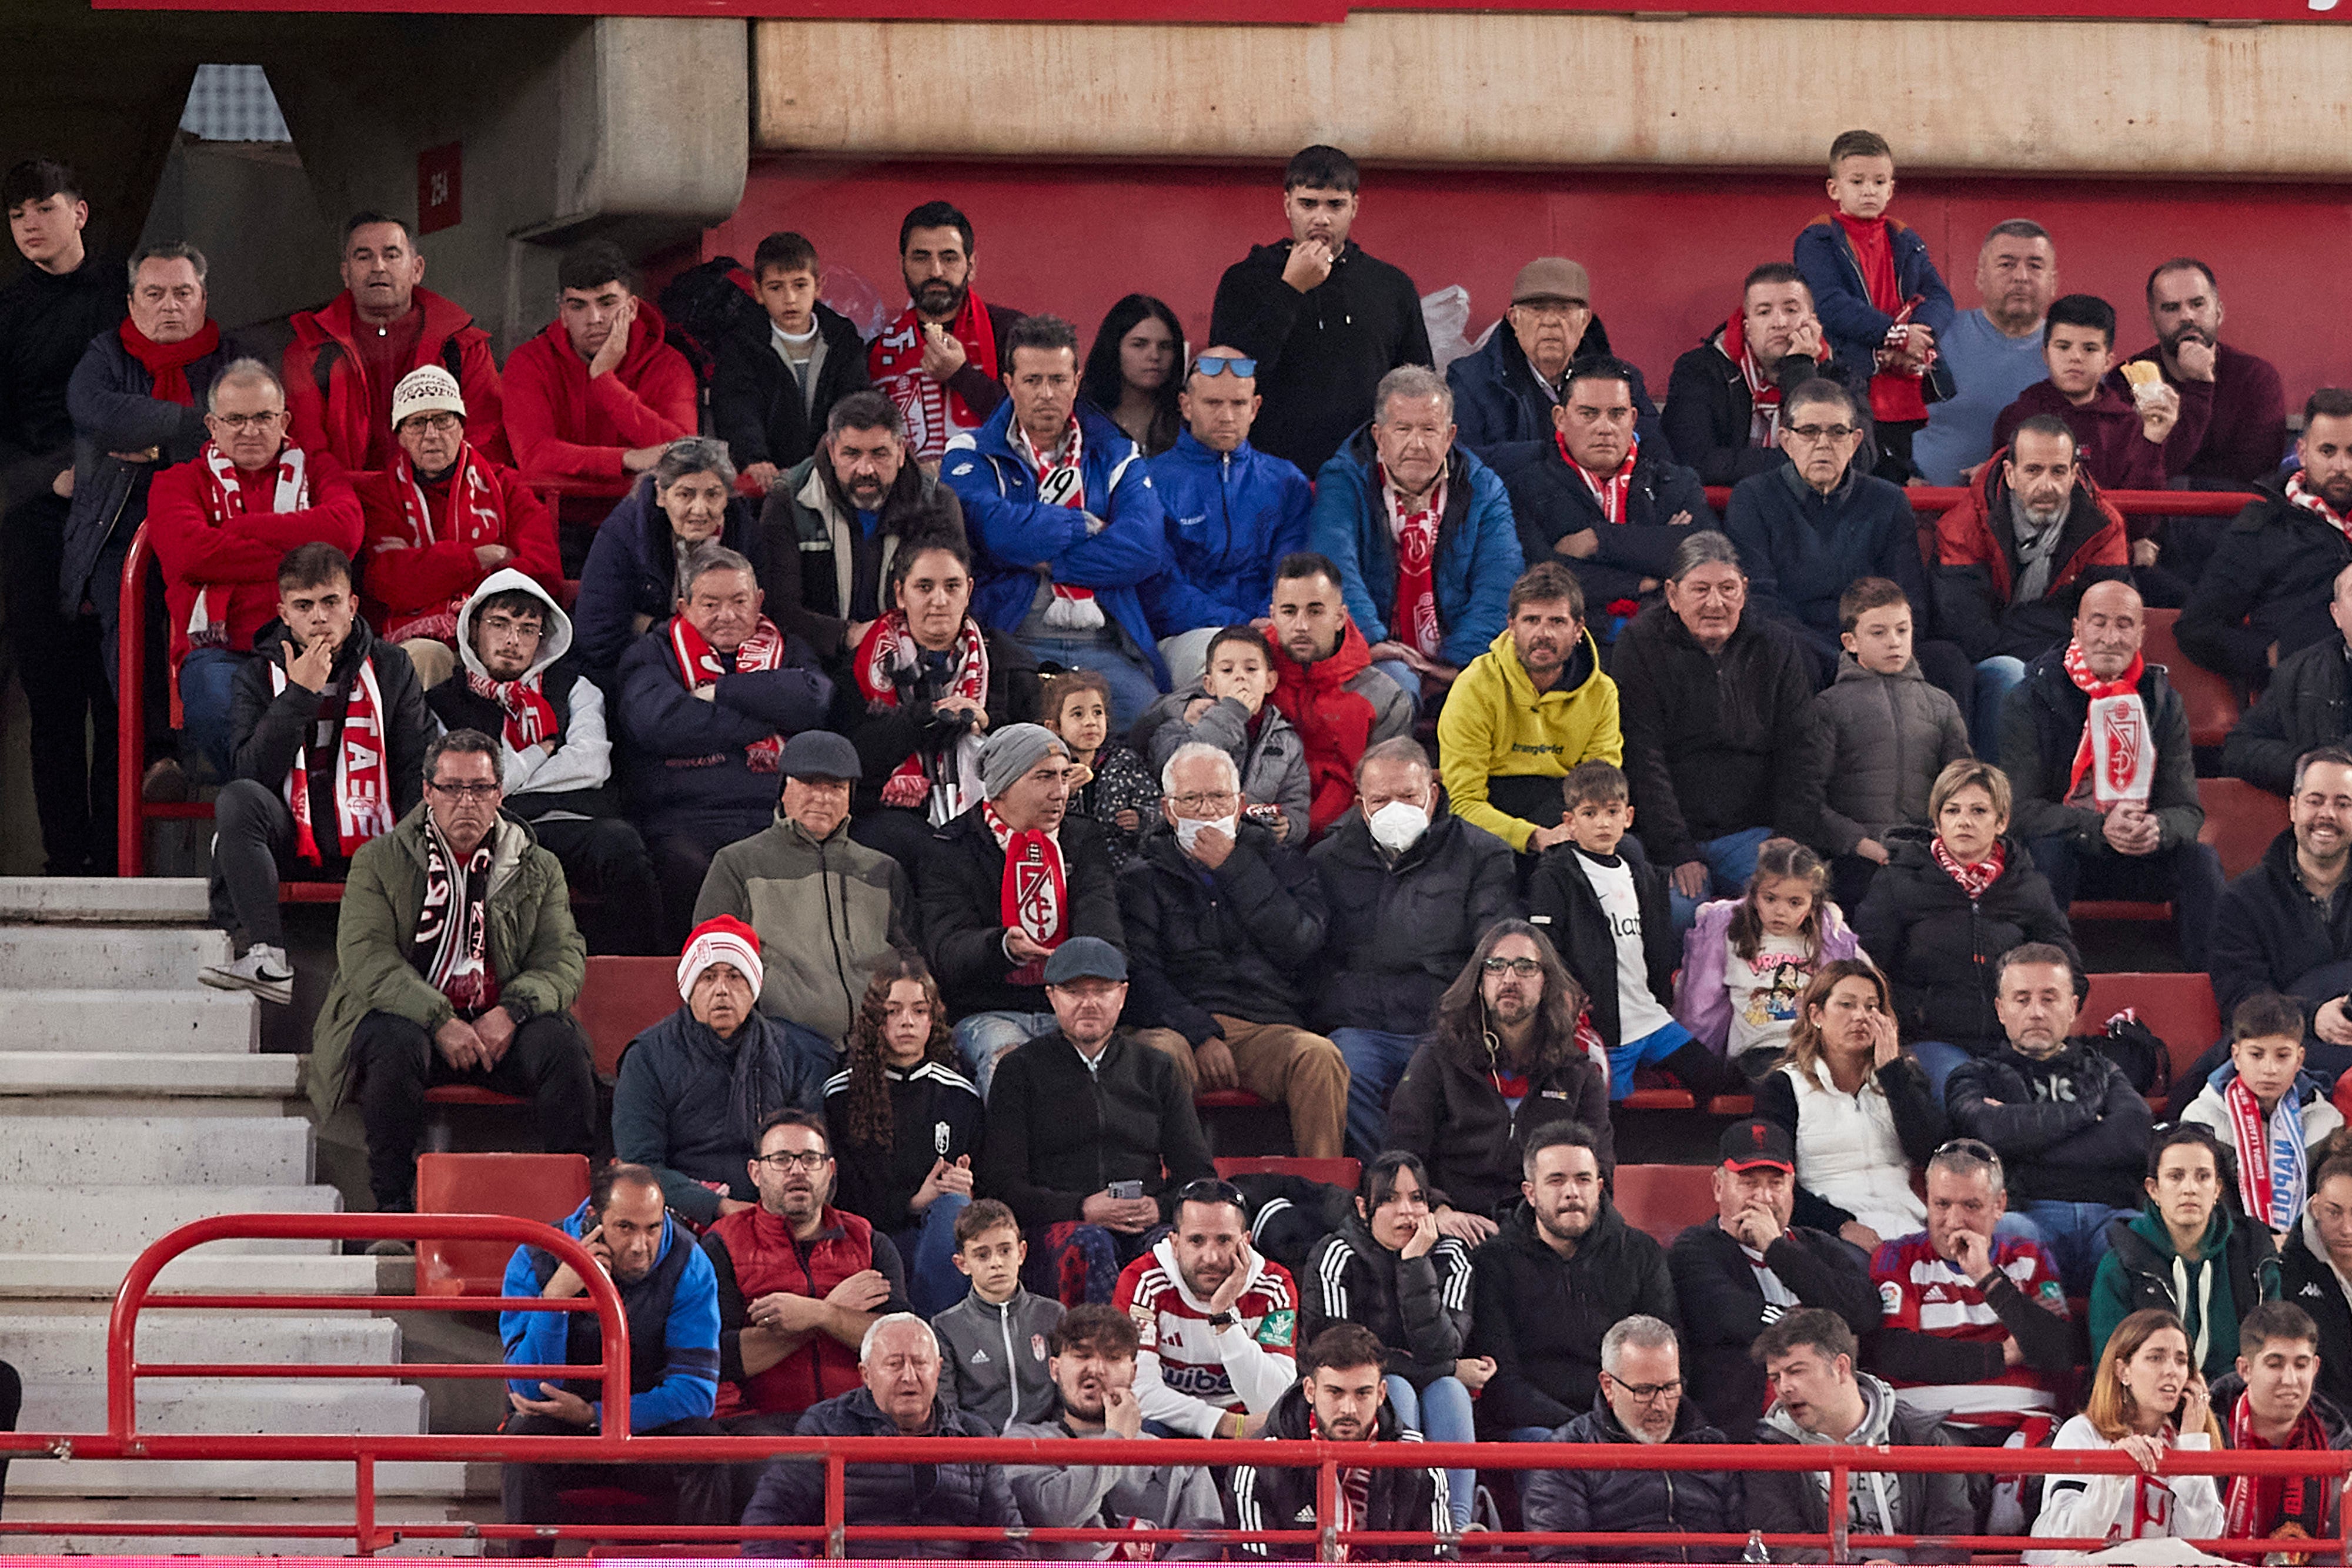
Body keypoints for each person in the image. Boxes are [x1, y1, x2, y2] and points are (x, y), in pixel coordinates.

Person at [312, 727, 594, 1216]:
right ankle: (394, 1209)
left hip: (498, 1027)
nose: (467, 801)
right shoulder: (378, 861)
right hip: (416, 1023)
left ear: (499, 794)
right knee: (392, 1043)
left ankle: (575, 1213)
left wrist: (511, 1011)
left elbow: (562, 959)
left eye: (481, 788)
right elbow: (367, 960)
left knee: (562, 1047)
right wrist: (440, 1019)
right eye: (451, 788)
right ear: (427, 792)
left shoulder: (538, 865)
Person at [198, 543, 430, 1005]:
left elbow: (414, 769)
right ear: (283, 612)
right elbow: (251, 772)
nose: (319, 618)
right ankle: (267, 955)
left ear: (353, 606)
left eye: (331, 603)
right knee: (238, 799)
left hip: (376, 839)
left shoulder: (391, 666)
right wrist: (298, 695)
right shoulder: (256, 675)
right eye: (304, 606)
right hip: (292, 834)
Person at [47, 238, 210, 861]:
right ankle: (155, 755)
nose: (169, 307)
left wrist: (159, 447)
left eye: (182, 294)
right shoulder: (104, 354)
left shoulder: (232, 352)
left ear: (203, 297)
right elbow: (93, 410)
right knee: (129, 624)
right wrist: (196, 425)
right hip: (118, 538)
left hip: (207, 529)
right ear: (132, 302)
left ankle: (184, 746)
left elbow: (254, 422)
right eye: (155, 294)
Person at [1121, 743, 1348, 1159]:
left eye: (1218, 797)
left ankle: (1325, 1198)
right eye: (1191, 799)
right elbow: (1139, 973)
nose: (1206, 810)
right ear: (1169, 811)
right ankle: (1166, 1191)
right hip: (1178, 1027)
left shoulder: (1284, 863)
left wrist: (1235, 866)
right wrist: (1199, 1031)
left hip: (1264, 1023)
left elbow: (1302, 944)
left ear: (1241, 803)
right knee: (1159, 1055)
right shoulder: (1141, 877)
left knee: (1319, 1056)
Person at [943, 312, 1168, 730]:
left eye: (1058, 380)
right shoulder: (970, 451)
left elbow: (1145, 548)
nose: (1046, 394)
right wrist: (1081, 527)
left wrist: (1046, 559)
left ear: (1077, 381)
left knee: (1153, 725)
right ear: (1008, 383)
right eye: (1032, 381)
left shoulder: (1117, 454)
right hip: (1011, 638)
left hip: (1103, 643)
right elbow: (992, 531)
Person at [145, 357, 363, 778]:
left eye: (263, 417)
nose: (250, 430)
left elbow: (346, 534)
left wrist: (238, 531)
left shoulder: (319, 469)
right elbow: (189, 554)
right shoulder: (177, 482)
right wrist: (304, 560)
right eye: (236, 419)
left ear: (284, 420)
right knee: (214, 697)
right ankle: (267, 811)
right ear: (212, 425)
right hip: (222, 652)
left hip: (319, 645)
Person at [497, 1163, 727, 1550]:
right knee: (524, 1439)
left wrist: (595, 1416)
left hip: (645, 1427)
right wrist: (558, 1296)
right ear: (593, 1221)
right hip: (560, 1429)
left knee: (708, 1449)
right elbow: (529, 1390)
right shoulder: (535, 1257)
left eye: (652, 1227)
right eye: (626, 1227)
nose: (641, 1245)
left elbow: (695, 1394)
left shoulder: (690, 1259)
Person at [426, 567, 657, 952]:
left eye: (528, 628)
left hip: (575, 820)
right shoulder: (441, 702)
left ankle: (629, 972)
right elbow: (461, 784)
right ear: (473, 629)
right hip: (492, 829)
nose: (513, 640)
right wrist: (541, 752)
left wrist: (503, 777)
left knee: (622, 845)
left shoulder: (574, 687)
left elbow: (590, 764)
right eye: (499, 624)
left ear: (543, 638)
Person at [1312, 738, 1521, 1163]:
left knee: (1461, 1080)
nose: (1396, 809)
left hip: (1444, 1019)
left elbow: (1492, 942)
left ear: (1433, 794)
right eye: (1381, 799)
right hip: (1361, 1024)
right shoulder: (1327, 859)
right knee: (1341, 1075)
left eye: (1408, 796)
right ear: (1360, 804)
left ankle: (1450, 1194)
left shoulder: (1482, 853)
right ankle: (1387, 1188)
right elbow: (1314, 953)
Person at [973, 938, 1216, 1300]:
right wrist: (1082, 1208)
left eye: (1102, 990)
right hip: (1059, 1229)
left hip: (1143, 1222)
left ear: (1122, 995)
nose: (1089, 1003)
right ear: (1052, 996)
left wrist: (1160, 1207)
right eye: (1074, 991)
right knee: (1091, 1245)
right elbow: (1001, 1185)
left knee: (1169, 1251)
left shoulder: (1156, 1069)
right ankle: (1095, 1352)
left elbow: (1197, 1176)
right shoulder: (1019, 1071)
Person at [616, 543, 833, 946]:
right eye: (711, 604)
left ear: (760, 601)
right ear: (683, 606)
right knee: (688, 869)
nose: (727, 615)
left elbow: (815, 700)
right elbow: (661, 724)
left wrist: (720, 692)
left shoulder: (787, 648)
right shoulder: (653, 652)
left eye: (739, 601)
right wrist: (771, 708)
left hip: (774, 814)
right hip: (685, 818)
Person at [2000, 576, 2223, 967]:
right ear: (2077, 629)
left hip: (2138, 849)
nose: (2110, 636)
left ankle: (2211, 984)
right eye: (2098, 622)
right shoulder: (2031, 697)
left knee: (2199, 858)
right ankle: (2043, 976)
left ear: (2140, 634)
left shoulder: (2163, 702)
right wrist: (2096, 826)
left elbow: (2187, 811)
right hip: (2068, 849)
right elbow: (2020, 811)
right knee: (2049, 850)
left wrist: (2158, 827)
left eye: (2123, 624)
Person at [1612, 530, 1818, 932]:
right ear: (1672, 594)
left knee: (1791, 904)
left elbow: (1801, 751)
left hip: (1753, 833)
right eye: (1700, 589)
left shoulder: (1776, 647)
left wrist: (1788, 836)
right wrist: (1677, 850)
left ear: (1744, 590)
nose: (1715, 603)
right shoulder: (1640, 644)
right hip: (1670, 834)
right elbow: (1643, 755)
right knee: (1680, 913)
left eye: (1727, 589)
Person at [919, 723, 1125, 1094]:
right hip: (987, 1009)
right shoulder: (950, 847)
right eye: (1044, 777)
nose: (1060, 792)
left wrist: (1078, 965)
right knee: (1008, 1061)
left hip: (1072, 1003)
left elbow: (1104, 926)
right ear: (1001, 787)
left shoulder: (1083, 839)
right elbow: (945, 952)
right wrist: (1002, 948)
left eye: (1064, 777)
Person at [1854, 760, 2080, 1094]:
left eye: (1978, 811)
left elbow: (2066, 966)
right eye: (1952, 811)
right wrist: (1906, 1019)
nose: (1964, 821)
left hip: (2014, 1042)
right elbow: (1867, 966)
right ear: (1937, 821)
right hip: (1928, 1039)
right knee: (1961, 1091)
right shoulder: (1898, 880)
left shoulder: (2029, 886)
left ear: (2001, 821)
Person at [1208, 144, 1431, 477]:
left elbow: (1418, 387)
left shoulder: (1391, 286)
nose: (1321, 218)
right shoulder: (1245, 279)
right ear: (1288, 204)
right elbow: (1229, 378)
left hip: (1365, 474)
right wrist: (1291, 289)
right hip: (1265, 473)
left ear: (1355, 206)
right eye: (1308, 204)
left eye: (1336, 205)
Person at [1308, 365, 1523, 709]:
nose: (1417, 444)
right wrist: (1372, 641)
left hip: (1462, 649)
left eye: (1429, 429)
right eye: (1403, 429)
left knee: (1502, 685)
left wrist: (1457, 663)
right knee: (1399, 685)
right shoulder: (1344, 479)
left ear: (1450, 436)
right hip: (1374, 647)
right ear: (1379, 436)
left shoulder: (1483, 488)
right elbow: (1334, 569)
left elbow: (1500, 582)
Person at [1529, 760, 1744, 1103]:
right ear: (1570, 822)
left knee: (1719, 1080)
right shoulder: (1555, 875)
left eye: (1612, 812)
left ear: (1628, 817)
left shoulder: (1642, 875)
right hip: (1603, 1026)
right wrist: (1567, 995)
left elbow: (1654, 946)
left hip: (1650, 1017)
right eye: (1590, 813)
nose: (1603, 822)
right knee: (1602, 1111)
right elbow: (1543, 946)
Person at [1945, 943, 2151, 1295]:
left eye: (2049, 998)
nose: (2036, 1012)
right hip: (2028, 1213)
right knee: (2008, 1235)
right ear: (2001, 1009)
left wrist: (2023, 1138)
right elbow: (1987, 1130)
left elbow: (2134, 1135)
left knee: (2146, 1237)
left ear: (2072, 1008)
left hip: (2109, 1214)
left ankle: (2131, 1350)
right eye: (2022, 999)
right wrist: (2089, 1116)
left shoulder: (2102, 1070)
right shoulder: (1975, 1076)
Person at [1298, 1152, 1484, 1534]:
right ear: (1364, 1206)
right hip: (1363, 1389)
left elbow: (1442, 1347)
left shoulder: (1452, 1255)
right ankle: (1394, 1526)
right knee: (1394, 1389)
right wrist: (1449, 1368)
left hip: (1428, 1381)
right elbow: (1339, 1358)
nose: (1407, 1212)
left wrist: (1414, 1264)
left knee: (1450, 1391)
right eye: (1390, 1199)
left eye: (1417, 1198)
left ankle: (1458, 1529)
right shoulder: (1337, 1255)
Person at [834, 530, 1041, 868]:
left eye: (952, 586)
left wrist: (987, 726)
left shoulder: (1009, 662)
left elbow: (1032, 754)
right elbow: (854, 755)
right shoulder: (861, 665)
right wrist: (922, 718)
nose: (940, 600)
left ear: (969, 591)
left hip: (986, 812)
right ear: (901, 594)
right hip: (891, 815)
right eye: (925, 587)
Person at [741, 1313, 1021, 1559]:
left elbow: (1008, 1540)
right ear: (866, 1374)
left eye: (920, 1363)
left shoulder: (975, 1435)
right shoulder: (826, 1425)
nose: (909, 1377)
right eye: (895, 1364)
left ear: (938, 1370)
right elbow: (767, 1523)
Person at [1388, 922, 1611, 1230]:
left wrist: (1547, 1230)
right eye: (1495, 966)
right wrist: (1438, 1212)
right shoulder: (1437, 1059)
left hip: (1541, 1230)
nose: (1509, 978)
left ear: (1546, 981)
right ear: (1479, 982)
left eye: (1525, 967)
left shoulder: (1577, 1072)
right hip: (1451, 1224)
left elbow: (1600, 1174)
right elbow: (1401, 1156)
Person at [613, 914, 830, 1229]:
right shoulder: (647, 1057)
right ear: (689, 988)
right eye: (708, 977)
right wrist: (718, 1206)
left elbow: (813, 1150)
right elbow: (640, 1165)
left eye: (735, 977)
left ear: (753, 988)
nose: (722, 990)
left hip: (777, 1208)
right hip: (681, 1213)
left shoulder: (791, 1052)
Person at [695, 729, 913, 1042]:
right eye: (810, 784)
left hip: (878, 1044)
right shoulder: (737, 863)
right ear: (784, 789)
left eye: (837, 787)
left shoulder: (883, 869)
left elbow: (911, 957)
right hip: (781, 1046)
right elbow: (713, 961)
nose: (823, 798)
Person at [1668, 1119, 1883, 1433]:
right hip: (1741, 1433)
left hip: (1832, 1430)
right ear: (1718, 1187)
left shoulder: (1821, 1247)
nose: (1764, 1197)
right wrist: (1827, 1330)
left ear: (1791, 1188)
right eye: (1749, 1183)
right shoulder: (1694, 1250)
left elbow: (1863, 1312)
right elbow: (1731, 1316)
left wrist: (1776, 1248)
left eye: (1775, 1183)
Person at [703, 1109, 913, 1428]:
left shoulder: (869, 1241)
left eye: (810, 1159)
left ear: (830, 1170)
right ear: (755, 1172)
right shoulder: (722, 1244)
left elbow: (898, 1341)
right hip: (760, 1425)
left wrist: (820, 1314)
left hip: (861, 1421)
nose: (797, 1171)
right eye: (782, 1159)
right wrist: (830, 1312)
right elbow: (722, 1358)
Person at [1932, 417, 2129, 755]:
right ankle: (2004, 797)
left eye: (2058, 472)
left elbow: (2107, 618)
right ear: (2010, 474)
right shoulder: (1962, 526)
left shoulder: (2103, 524)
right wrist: (2051, 632)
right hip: (1992, 657)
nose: (2047, 485)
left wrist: (2032, 634)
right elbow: (1967, 629)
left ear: (2074, 474)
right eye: (2033, 471)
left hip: (2065, 656)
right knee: (2012, 675)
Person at [1467, 1121, 1675, 1440]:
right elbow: (1502, 1382)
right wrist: (1583, 1431)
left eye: (1583, 1179)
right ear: (1531, 1193)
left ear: (1599, 1187)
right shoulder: (1493, 1261)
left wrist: (1611, 1427)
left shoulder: (1640, 1253)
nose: (1572, 1192)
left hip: (1625, 1424)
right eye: (1556, 1181)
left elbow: (1666, 1356)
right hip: (1535, 1428)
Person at [1485, 356, 1704, 656]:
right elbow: (1541, 577)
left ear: (1633, 418)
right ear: (1560, 418)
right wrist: (1643, 579)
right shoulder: (1524, 488)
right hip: (1569, 650)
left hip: (1666, 646)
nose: (1605, 427)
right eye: (1589, 414)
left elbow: (1701, 556)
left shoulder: (1677, 482)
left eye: (1617, 414)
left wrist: (1598, 540)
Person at [1722, 377, 1933, 684]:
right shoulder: (1752, 498)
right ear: (1786, 439)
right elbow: (1759, 604)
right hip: (1795, 647)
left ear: (1856, 440)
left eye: (1837, 432)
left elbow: (1909, 598)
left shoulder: (1888, 501)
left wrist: (1871, 649)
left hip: (1872, 643)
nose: (1823, 444)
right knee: (1784, 654)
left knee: (1948, 661)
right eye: (1809, 432)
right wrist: (1839, 660)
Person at [358, 366, 559, 687]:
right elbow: (390, 582)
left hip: (497, 632)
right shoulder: (381, 495)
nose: (432, 434)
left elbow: (542, 568)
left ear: (462, 426)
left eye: (443, 420)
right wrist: (478, 558)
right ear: (400, 435)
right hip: (423, 638)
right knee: (422, 658)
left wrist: (473, 607)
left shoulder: (504, 485)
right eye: (417, 423)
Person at [1867, 1141, 2076, 1449]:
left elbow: (2057, 1351)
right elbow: (1897, 1353)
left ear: (1999, 1205)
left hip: (2028, 1421)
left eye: (1971, 1206)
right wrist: (2001, 1355)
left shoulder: (2030, 1256)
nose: (1954, 1221)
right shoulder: (1897, 1256)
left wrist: (1986, 1277)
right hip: (1934, 1426)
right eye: (1942, 1204)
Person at [1139, 347, 1314, 691]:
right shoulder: (1148, 480)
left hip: (1274, 627)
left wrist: (1273, 620)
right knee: (1228, 668)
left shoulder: (1286, 481)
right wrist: (1241, 624)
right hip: (1190, 635)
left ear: (1256, 407)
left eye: (1238, 404)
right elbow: (1159, 590)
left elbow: (1292, 570)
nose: (1227, 416)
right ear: (1186, 406)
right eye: (1213, 404)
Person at [1798, 577, 1973, 916]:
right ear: (1851, 641)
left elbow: (1962, 787)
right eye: (1878, 633)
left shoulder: (1941, 705)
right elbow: (1807, 799)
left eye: (1902, 630)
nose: (1894, 642)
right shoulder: (1828, 706)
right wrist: (1861, 844)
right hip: (1854, 863)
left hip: (1928, 860)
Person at [283, 212, 505, 476]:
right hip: (346, 501)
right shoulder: (309, 350)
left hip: (439, 500)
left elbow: (485, 439)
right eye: (363, 257)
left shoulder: (463, 345)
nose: (378, 267)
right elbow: (308, 447)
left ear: (417, 269)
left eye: (392, 255)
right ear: (346, 274)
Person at [822, 955, 983, 1316]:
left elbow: (986, 1190)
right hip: (865, 1238)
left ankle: (936, 1338)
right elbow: (838, 1194)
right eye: (893, 1011)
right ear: (874, 1021)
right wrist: (912, 1202)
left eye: (919, 1011)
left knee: (955, 1209)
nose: (907, 1022)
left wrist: (967, 1188)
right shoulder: (839, 1096)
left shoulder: (961, 1096)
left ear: (933, 1020)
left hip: (937, 1237)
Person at [1003, 1302, 1225, 1562]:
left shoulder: (1181, 1463)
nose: (1097, 1369)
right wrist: (1117, 1441)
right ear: (1055, 1369)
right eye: (1082, 1355)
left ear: (1133, 1373)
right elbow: (1056, 1517)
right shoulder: (1024, 1444)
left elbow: (1202, 1545)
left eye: (1112, 1357)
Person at [1792, 129, 1956, 483]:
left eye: (1879, 181)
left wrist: (1920, 335)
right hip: (1850, 380)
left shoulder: (1906, 239)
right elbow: (1829, 303)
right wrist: (1895, 335)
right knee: (1854, 477)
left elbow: (1941, 299)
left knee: (1896, 481)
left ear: (1891, 189)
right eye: (1858, 181)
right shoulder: (1818, 239)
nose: (1869, 190)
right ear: (1835, 189)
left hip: (1904, 385)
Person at [1748, 1308, 1972, 1565]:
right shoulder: (1768, 1450)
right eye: (1775, 1378)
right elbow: (1783, 1543)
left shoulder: (1923, 1437)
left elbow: (1952, 1535)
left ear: (1841, 1367)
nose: (1784, 1388)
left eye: (1797, 1371)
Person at [760, 392, 968, 663]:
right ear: (832, 451)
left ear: (901, 452)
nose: (866, 469)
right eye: (852, 454)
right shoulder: (789, 500)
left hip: (914, 650)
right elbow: (779, 607)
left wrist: (893, 637)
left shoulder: (937, 503)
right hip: (815, 657)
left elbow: (952, 593)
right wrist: (849, 635)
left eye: (880, 454)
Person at [1521, 1314, 1744, 1564]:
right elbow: (1559, 1556)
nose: (1660, 1405)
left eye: (1670, 1388)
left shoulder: (1713, 1445)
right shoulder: (1568, 1451)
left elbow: (1748, 1539)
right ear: (1608, 1386)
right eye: (1644, 1391)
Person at [1438, 562, 1622, 854]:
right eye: (1531, 620)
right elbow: (1463, 802)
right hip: (1494, 810)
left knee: (1630, 856)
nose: (1543, 633)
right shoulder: (1475, 685)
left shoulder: (1602, 692)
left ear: (1578, 629)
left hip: (1567, 809)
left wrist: (1569, 829)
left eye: (1557, 622)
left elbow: (1599, 790)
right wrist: (1531, 837)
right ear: (1511, 626)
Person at [1755, 962, 1941, 1250]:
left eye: (1872, 1007)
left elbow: (1930, 1152)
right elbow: (1773, 1180)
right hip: (1827, 1233)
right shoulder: (1784, 1087)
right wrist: (1841, 1226)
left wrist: (1892, 1073)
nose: (1861, 1017)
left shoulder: (1902, 1078)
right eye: (1846, 1005)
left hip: (1909, 1224)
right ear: (1816, 1014)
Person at [1230, 1322, 1451, 1560]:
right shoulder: (1257, 1463)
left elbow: (1442, 1561)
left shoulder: (1422, 1463)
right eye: (1335, 1392)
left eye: (1362, 1393)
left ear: (1381, 1393)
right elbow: (1253, 1562)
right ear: (1310, 1391)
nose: (1349, 1409)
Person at [2180, 390, 2352, 691]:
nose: (2341, 466)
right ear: (2302, 452)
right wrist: (2269, 656)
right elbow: (2197, 628)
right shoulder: (2262, 526)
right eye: (2328, 451)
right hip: (2302, 704)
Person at [2027, 1307, 2223, 1564]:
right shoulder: (2081, 1432)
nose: (2172, 1371)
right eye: (2156, 1358)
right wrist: (2113, 1473)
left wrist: (2192, 1445)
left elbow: (2200, 1543)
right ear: (2123, 1372)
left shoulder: (2182, 1441)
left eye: (2181, 1360)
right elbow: (2072, 1538)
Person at [2092, 1125, 2283, 1382]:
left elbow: (2275, 1355)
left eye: (2203, 1176)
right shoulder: (2122, 1263)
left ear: (2217, 1190)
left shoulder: (2254, 1254)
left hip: (2237, 1404)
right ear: (2154, 1189)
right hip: (2152, 1410)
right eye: (2176, 1176)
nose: (2190, 1188)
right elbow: (2111, 1370)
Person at [503, 239, 696, 493]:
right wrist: (625, 459)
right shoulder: (528, 362)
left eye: (607, 303)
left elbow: (685, 455)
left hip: (646, 520)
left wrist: (605, 382)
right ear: (563, 313)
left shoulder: (669, 364)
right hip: (556, 521)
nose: (594, 319)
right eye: (578, 306)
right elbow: (534, 454)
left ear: (632, 308)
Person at [1113, 1177, 1300, 1439]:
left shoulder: (1273, 1286)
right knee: (1142, 1432)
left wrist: (1223, 1316)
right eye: (1197, 1241)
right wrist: (1225, 1424)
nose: (1211, 1258)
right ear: (1175, 1244)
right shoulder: (1143, 1280)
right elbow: (1136, 1391)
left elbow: (1274, 1400)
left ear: (1246, 1242)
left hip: (1249, 1424)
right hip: (1170, 1423)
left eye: (1224, 1240)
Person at [573, 436, 767, 678]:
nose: (699, 509)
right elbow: (598, 633)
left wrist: (644, 623)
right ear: (661, 495)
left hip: (728, 665)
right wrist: (684, 637)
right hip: (643, 667)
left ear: (727, 497)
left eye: (713, 495)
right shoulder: (625, 531)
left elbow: (761, 619)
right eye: (685, 495)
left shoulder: (745, 535)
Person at [1666, 260, 1869, 489]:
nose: (1779, 323)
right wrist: (1804, 463)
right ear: (1747, 328)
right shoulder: (1699, 370)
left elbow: (1859, 461)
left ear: (1814, 322)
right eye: (1764, 312)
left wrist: (1800, 369)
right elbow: (1694, 462)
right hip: (1726, 515)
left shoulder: (1840, 377)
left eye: (1791, 310)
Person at [1677, 839, 1865, 1078]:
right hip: (1756, 1051)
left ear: (1813, 904)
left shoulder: (1831, 938)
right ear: (1755, 896)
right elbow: (1699, 1000)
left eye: (1795, 903)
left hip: (1812, 1049)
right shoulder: (1729, 932)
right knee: (1783, 1082)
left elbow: (1864, 988)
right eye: (1771, 899)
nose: (1780, 911)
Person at [1989, 293, 2206, 499]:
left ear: (2108, 361)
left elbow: (2142, 519)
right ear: (2045, 354)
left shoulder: (2129, 426)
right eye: (2063, 347)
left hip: (2110, 538)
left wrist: (2153, 440)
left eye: (2090, 349)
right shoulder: (2016, 417)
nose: (2075, 357)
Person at [2210, 746, 2352, 1056]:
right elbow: (2242, 1000)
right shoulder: (2242, 901)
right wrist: (2313, 1018)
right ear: (2293, 808)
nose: (2327, 814)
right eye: (2315, 801)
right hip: (2284, 1059)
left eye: (2343, 804)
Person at [1449, 255, 1666, 454]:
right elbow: (1465, 465)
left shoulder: (1623, 382)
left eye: (1564, 310)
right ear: (1514, 319)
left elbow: (1658, 459)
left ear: (1585, 321)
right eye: (1537, 309)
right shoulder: (1471, 381)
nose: (1550, 321)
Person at [1264, 551, 1412, 836]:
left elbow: (1385, 796)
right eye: (1289, 611)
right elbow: (1164, 717)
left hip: (1344, 843)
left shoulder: (1385, 697)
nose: (1301, 625)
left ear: (1340, 617)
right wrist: (1191, 707)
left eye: (1315, 611)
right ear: (1273, 616)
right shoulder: (1247, 670)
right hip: (1259, 836)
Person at [867, 199, 1024, 469]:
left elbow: (1041, 426)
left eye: (949, 258)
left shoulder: (1012, 331)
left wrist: (962, 375)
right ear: (901, 265)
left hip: (998, 497)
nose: (936, 271)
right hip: (906, 504)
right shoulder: (877, 351)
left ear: (971, 266)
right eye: (921, 257)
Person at [714, 230, 873, 493]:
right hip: (769, 480)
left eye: (800, 285)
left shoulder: (843, 339)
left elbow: (854, 403)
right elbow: (737, 408)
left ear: (818, 287)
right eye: (776, 287)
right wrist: (754, 458)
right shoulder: (741, 345)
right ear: (758, 292)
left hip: (836, 478)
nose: (789, 298)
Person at [2108, 258, 2287, 490]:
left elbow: (2257, 471)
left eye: (2198, 304)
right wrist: (2200, 385)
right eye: (2171, 308)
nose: (2187, 316)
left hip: (2234, 519)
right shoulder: (2125, 378)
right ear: (2152, 322)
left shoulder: (2257, 378)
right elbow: (2137, 471)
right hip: (2152, 515)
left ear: (2219, 312)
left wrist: (2201, 384)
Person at [2183, 992, 2344, 1242]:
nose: (2270, 1069)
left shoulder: (2326, 1121)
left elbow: (2335, 1204)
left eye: (2283, 1056)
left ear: (2300, 1059)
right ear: (2236, 1056)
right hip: (2228, 1251)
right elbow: (2203, 1208)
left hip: (2308, 1251)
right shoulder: (2202, 1118)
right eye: (2256, 1055)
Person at [1912, 219, 2059, 487]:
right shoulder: (1935, 337)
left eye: (2035, 266)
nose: (2021, 277)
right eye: (2007, 264)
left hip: (2036, 517)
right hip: (1929, 511)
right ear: (1979, 276)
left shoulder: (2072, 349)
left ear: (2054, 281)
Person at [1132, 624, 1311, 845]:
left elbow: (1297, 803)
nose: (1240, 678)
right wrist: (1230, 714)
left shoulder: (1287, 741)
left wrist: (1290, 825)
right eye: (1227, 671)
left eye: (1251, 670)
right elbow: (1174, 765)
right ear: (1209, 684)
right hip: (1187, 843)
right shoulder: (1178, 727)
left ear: (1270, 681)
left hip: (1252, 848)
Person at [2213, 1300, 2352, 1552]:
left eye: (2301, 1365)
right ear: (2245, 1369)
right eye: (2275, 1364)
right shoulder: (2203, 1430)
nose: (2290, 1380)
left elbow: (2343, 1551)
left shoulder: (2340, 1444)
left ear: (2315, 1367)